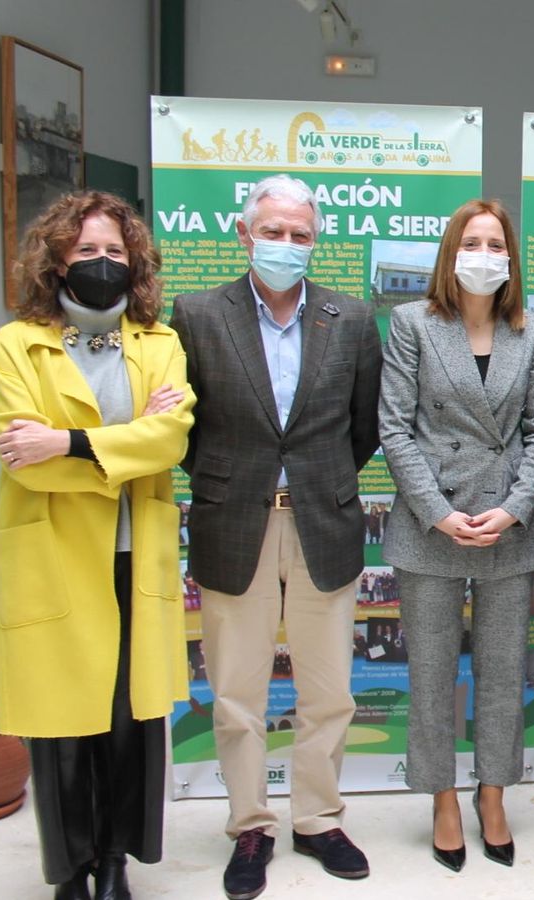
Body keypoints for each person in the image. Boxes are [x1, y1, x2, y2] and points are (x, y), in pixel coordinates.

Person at [169, 174, 383, 900]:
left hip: (324, 518)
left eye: (300, 235)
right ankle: (251, 825)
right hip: (236, 521)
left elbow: (363, 428)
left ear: (314, 240)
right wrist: (241, 482)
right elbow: (186, 432)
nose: (286, 245)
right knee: (236, 692)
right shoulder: (197, 315)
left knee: (328, 691)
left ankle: (318, 819)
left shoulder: (348, 318)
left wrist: (312, 481)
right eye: (274, 232)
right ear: (244, 234)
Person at [0, 190, 194, 900]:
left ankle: (115, 861)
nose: (102, 263)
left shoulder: (158, 341)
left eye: (114, 251)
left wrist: (68, 443)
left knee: (127, 722)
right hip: (53, 558)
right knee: (61, 725)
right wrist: (121, 450)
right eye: (86, 251)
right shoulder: (18, 344)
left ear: (132, 260)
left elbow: (170, 441)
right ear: (56, 260)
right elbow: (23, 457)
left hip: (136, 558)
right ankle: (68, 869)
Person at [378, 199, 534, 871]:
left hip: (509, 525)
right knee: (430, 672)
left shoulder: (533, 330)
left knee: (504, 671)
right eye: (471, 241)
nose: (483, 253)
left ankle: (492, 792)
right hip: (433, 525)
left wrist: (512, 508)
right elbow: (394, 427)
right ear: (451, 253)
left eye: (495, 242)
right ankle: (443, 796)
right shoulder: (412, 324)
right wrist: (436, 510)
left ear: (510, 256)